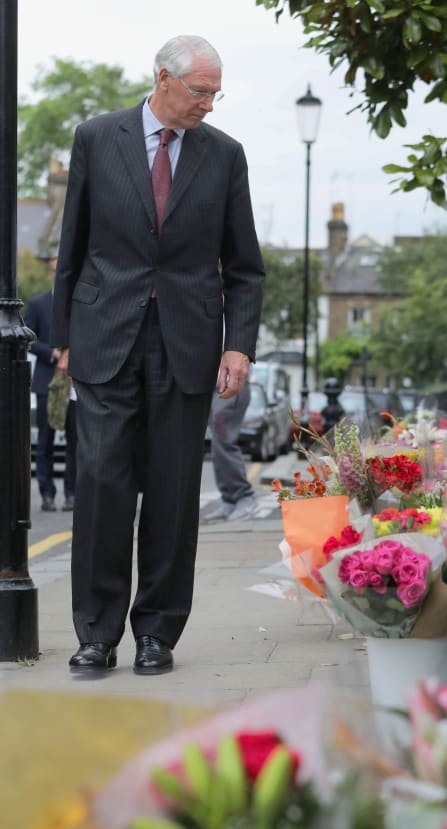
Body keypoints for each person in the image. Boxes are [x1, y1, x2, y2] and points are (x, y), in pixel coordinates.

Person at [50, 35, 264, 676]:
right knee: (101, 485)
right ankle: (96, 632)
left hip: (188, 342)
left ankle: (157, 633)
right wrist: (62, 334)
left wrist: (238, 346)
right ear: (163, 79)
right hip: (105, 333)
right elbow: (74, 242)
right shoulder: (96, 137)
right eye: (200, 91)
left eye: (214, 93)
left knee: (173, 493)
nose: (208, 104)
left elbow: (245, 266)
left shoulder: (225, 157)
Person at [25, 256, 76, 512]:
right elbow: (28, 339)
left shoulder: (78, 303)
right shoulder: (38, 304)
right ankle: (47, 494)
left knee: (75, 442)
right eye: (55, 270)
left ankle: (71, 493)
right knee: (45, 442)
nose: (58, 274)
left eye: (62, 270)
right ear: (50, 274)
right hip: (46, 383)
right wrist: (52, 353)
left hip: (73, 383)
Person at [204, 382, 257, 522]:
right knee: (217, 444)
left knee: (224, 442)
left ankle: (245, 497)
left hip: (231, 381)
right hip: (214, 386)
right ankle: (229, 500)